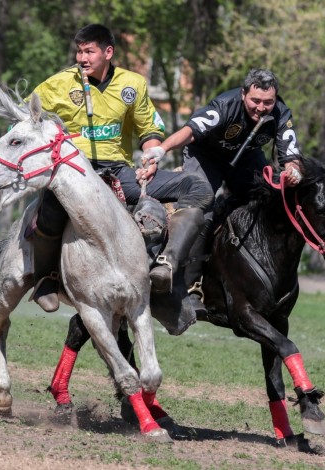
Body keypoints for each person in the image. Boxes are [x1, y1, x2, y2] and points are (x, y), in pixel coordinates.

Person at [29, 23, 213, 322]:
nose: (82, 58)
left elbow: (149, 129)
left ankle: (167, 266)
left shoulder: (133, 84)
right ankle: (45, 278)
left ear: (108, 52)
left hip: (119, 172)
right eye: (79, 51)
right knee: (50, 207)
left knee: (197, 187)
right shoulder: (58, 84)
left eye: (89, 52)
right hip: (73, 169)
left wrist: (151, 157)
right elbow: (25, 119)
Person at [138, 68, 305, 310]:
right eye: (255, 101)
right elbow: (190, 132)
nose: (261, 108)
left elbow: (291, 154)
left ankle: (251, 277)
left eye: (268, 102)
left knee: (267, 200)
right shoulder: (225, 105)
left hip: (246, 159)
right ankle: (189, 286)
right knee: (202, 204)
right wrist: (162, 150)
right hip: (206, 156)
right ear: (243, 94)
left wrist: (294, 172)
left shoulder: (280, 112)